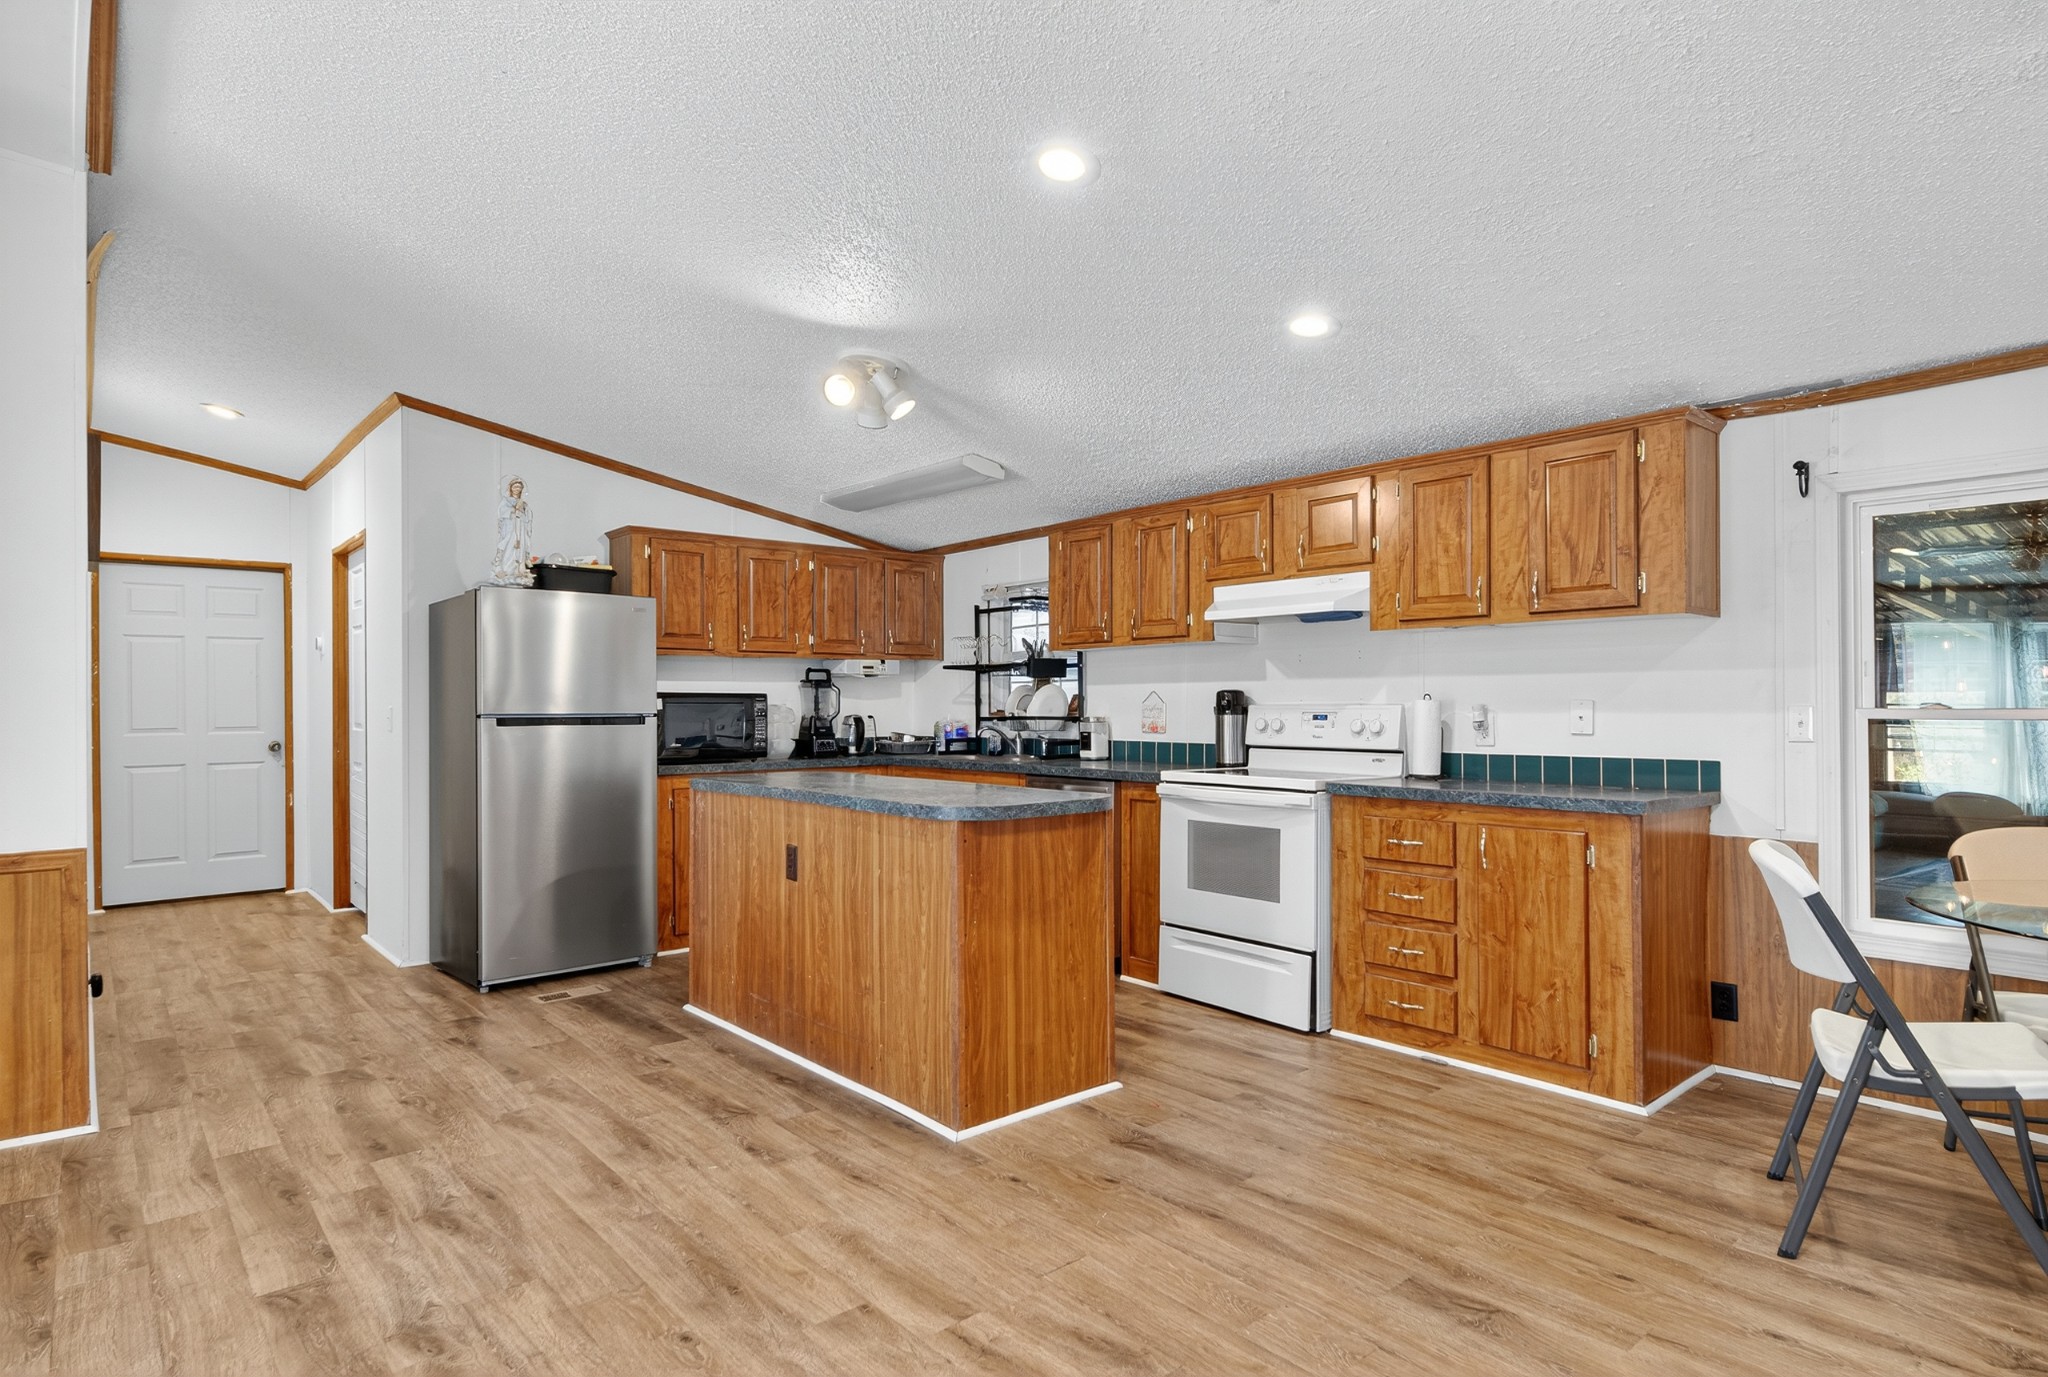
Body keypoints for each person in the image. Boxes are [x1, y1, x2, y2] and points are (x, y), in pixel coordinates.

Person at [491, 475, 534, 586]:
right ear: (511, 488)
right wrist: (514, 509)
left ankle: (519, 569)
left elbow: (526, 517)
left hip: (521, 528)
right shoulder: (506, 501)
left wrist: (522, 509)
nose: (517, 489)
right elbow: (503, 513)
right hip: (511, 528)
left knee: (521, 548)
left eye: (519, 487)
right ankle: (507, 569)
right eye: (515, 487)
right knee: (509, 547)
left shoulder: (523, 503)